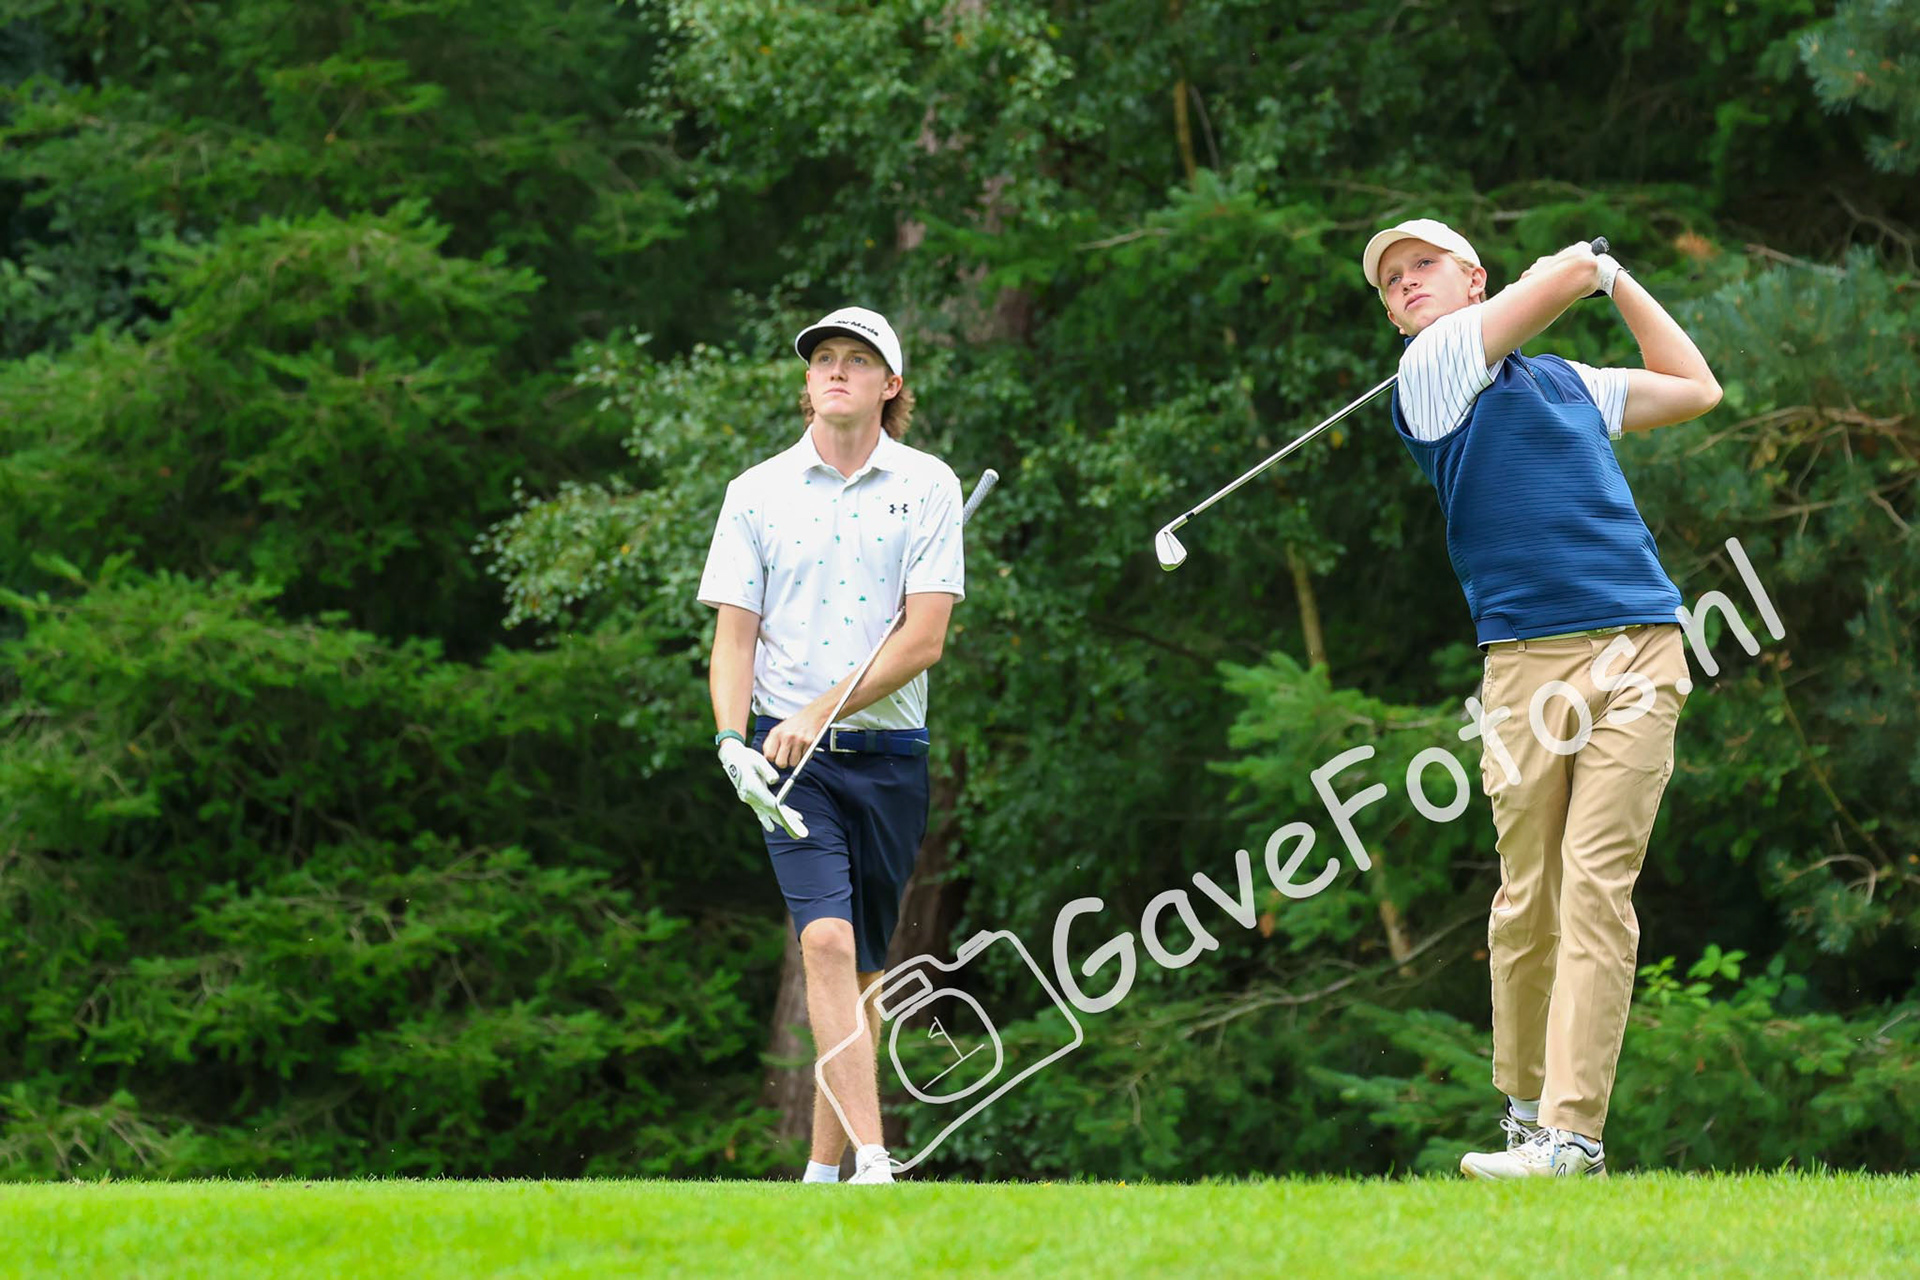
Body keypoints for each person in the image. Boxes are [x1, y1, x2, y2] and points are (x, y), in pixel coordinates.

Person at [1360, 220, 1722, 1178]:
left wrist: (1620, 280)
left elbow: (1694, 386)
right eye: (1391, 283)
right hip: (1527, 671)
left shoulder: (1564, 381)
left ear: (1471, 276)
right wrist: (1580, 267)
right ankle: (1523, 1108)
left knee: (1599, 889)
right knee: (1532, 900)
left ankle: (1572, 1138)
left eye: (1422, 268)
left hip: (1642, 645)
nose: (1405, 287)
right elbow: (1553, 283)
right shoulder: (1430, 372)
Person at [697, 306, 965, 1185]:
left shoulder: (927, 485)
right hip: (788, 759)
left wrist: (826, 703)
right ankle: (878, 1162)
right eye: (824, 361)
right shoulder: (756, 491)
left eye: (858, 361)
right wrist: (735, 739)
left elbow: (922, 640)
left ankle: (822, 1173)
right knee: (822, 946)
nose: (836, 372)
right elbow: (734, 638)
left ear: (891, 386)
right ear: (807, 382)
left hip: (890, 757)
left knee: (862, 974)